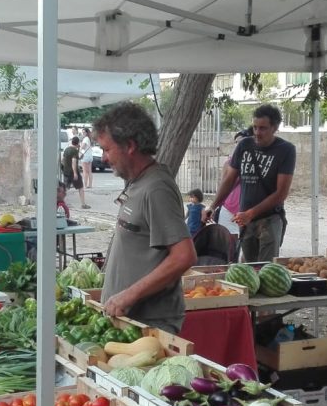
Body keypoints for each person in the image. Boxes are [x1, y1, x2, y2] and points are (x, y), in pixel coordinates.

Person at [94, 102, 197, 334]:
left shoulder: (156, 188)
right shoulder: (139, 182)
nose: (103, 158)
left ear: (130, 146)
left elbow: (184, 256)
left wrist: (128, 295)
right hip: (130, 320)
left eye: (107, 149)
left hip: (151, 323)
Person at [205, 104, 295, 262]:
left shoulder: (286, 150)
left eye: (263, 128)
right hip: (246, 222)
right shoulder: (244, 145)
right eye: (255, 127)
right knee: (247, 271)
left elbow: (281, 193)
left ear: (275, 127)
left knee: (265, 271)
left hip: (270, 219)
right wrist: (213, 206)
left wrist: (251, 213)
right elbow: (229, 180)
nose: (257, 133)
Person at [212, 128, 252, 251]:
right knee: (229, 245)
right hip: (229, 207)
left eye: (242, 142)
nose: (239, 145)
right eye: (236, 142)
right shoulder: (229, 163)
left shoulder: (256, 163)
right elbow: (224, 184)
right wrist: (215, 205)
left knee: (247, 246)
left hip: (248, 210)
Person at [61, 136, 90, 209]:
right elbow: (74, 162)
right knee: (80, 187)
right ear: (78, 143)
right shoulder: (74, 151)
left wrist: (80, 157)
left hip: (66, 171)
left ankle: (60, 202)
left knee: (66, 188)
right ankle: (83, 204)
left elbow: (63, 160)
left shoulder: (67, 149)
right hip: (73, 172)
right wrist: (75, 173)